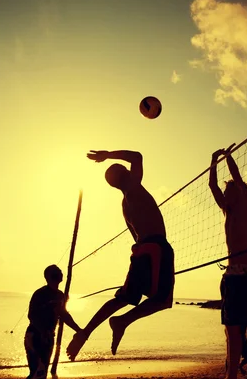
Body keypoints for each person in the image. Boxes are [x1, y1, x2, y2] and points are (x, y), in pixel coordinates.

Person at [66, 150, 175, 360]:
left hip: (144, 249)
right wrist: (108, 155)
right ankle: (120, 322)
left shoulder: (125, 204)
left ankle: (90, 331)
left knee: (124, 298)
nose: (127, 168)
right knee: (161, 300)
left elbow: (135, 236)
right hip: (155, 248)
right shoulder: (133, 187)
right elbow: (137, 156)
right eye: (124, 168)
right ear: (124, 174)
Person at [209, 144, 247, 379]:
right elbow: (212, 187)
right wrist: (212, 161)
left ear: (239, 192)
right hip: (230, 275)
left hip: (242, 274)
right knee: (230, 330)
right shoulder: (227, 211)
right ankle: (233, 370)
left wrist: (228, 158)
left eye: (230, 191)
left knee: (233, 329)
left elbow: (238, 180)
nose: (225, 196)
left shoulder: (245, 204)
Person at [24, 265, 81, 379]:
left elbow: (64, 315)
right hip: (35, 336)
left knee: (41, 374)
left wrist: (78, 330)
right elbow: (31, 315)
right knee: (35, 372)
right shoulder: (40, 294)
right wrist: (42, 331)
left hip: (49, 337)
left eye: (59, 272)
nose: (59, 274)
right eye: (55, 273)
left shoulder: (61, 295)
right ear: (47, 277)